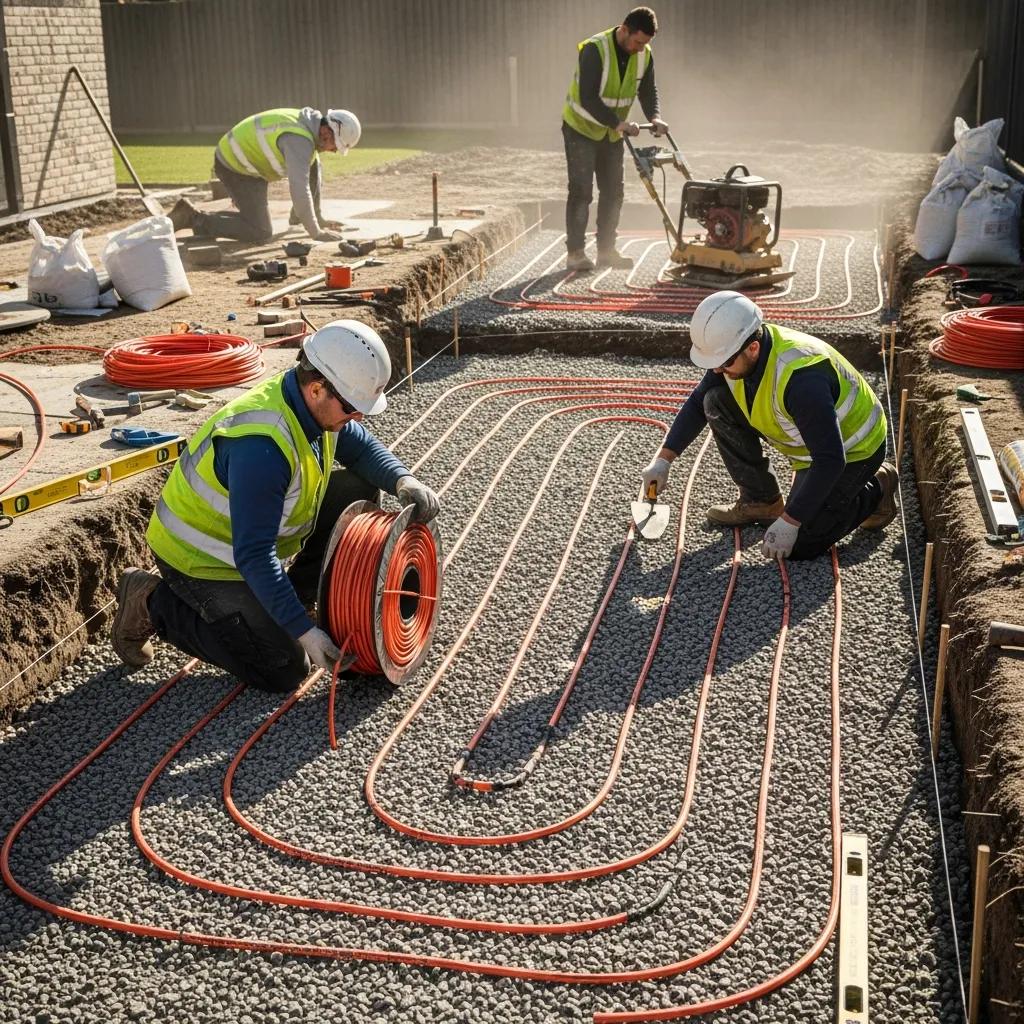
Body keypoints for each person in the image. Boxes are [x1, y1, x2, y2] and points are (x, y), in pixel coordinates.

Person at [110, 320, 440, 692]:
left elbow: (360, 446)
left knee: (358, 485)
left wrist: (402, 479)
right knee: (283, 666)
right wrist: (305, 633)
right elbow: (253, 555)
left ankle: (293, 596)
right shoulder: (260, 446)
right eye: (352, 407)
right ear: (317, 389)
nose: (358, 417)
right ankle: (152, 601)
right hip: (204, 560)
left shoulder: (309, 401)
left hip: (248, 541)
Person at [640, 291, 900, 560]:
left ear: (753, 347)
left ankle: (879, 484)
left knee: (801, 543)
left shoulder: (801, 379)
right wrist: (664, 460)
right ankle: (761, 501)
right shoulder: (736, 353)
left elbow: (831, 460)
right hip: (813, 445)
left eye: (724, 362)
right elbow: (697, 403)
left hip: (855, 449)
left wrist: (791, 521)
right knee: (714, 400)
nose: (717, 370)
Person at [561, 7, 668, 273]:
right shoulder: (595, 50)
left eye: (645, 44)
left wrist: (654, 116)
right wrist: (618, 123)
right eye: (638, 42)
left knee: (613, 192)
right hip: (581, 129)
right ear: (624, 30)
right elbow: (587, 97)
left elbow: (647, 88)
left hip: (612, 133)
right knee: (582, 192)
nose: (641, 48)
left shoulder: (644, 55)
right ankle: (575, 253)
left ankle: (606, 251)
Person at [168, 107, 362, 244]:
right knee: (259, 231)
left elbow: (311, 170)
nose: (334, 151)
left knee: (314, 163)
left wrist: (314, 217)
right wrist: (316, 233)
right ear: (327, 132)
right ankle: (193, 218)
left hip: (249, 164)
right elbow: (299, 187)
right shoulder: (299, 140)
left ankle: (299, 217)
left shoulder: (307, 123)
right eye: (336, 145)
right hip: (235, 167)